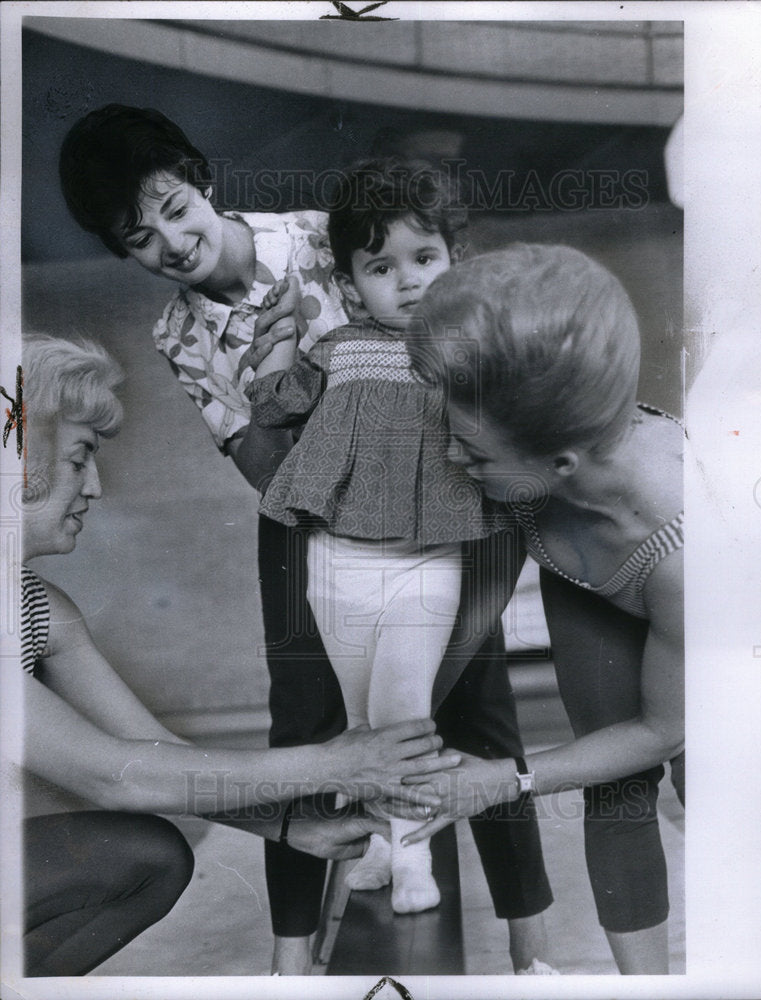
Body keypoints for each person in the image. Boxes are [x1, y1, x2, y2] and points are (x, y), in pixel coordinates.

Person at [58, 106, 553, 974]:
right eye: (140, 238)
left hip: (434, 488)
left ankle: (530, 956)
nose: (172, 243)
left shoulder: (327, 237)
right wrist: (277, 383)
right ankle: (290, 966)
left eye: (176, 208)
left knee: (477, 705)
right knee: (304, 724)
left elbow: (450, 327)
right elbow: (257, 461)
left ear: (200, 177)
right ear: (122, 250)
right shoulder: (176, 334)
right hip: (302, 511)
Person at [19, 334, 452, 976]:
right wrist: (334, 763)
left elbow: (152, 749)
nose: (97, 487)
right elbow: (111, 775)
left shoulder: (35, 601)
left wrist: (285, 829)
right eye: (80, 458)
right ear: (17, 456)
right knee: (136, 852)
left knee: (151, 859)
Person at [404, 244, 685, 975]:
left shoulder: (690, 545)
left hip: (714, 620)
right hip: (589, 567)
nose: (452, 460)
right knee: (611, 785)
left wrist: (505, 779)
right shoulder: (525, 472)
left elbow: (663, 728)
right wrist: (391, 738)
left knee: (719, 790)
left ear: (559, 461)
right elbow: (463, 623)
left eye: (468, 449)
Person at [245, 158, 511, 916]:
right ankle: (383, 843)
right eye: (381, 267)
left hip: (427, 561)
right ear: (351, 282)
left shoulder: (467, 350)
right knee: (363, 727)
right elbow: (270, 405)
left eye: (425, 258)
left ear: (453, 259)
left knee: (403, 710)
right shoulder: (338, 350)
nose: (407, 281)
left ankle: (416, 856)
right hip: (335, 565)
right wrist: (282, 329)